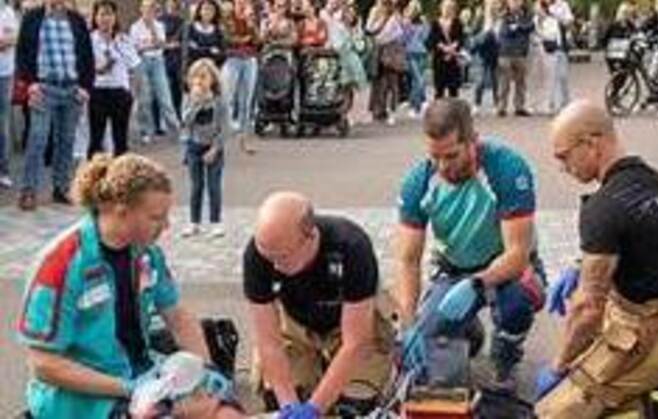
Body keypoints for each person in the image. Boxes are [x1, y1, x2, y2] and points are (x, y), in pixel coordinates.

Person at [16, 153, 246, 419]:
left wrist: (206, 370)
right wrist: (129, 389)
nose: (166, 226)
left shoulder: (147, 254)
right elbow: (43, 363)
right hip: (80, 398)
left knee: (226, 413)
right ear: (122, 211)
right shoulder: (60, 263)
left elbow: (177, 316)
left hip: (143, 374)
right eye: (156, 217)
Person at [535, 100, 658, 418]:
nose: (563, 167)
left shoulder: (604, 207)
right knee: (594, 350)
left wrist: (559, 366)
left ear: (590, 143)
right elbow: (646, 244)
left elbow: (587, 310)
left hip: (656, 336)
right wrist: (581, 267)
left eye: (564, 156)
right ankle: (646, 394)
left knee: (554, 411)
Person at [395, 98, 545, 387]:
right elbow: (408, 259)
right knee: (428, 338)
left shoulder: (507, 168)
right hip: (453, 268)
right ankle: (467, 332)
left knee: (517, 303)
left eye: (452, 156)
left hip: (506, 267)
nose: (443, 166)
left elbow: (517, 254)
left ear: (473, 141)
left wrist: (477, 283)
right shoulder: (419, 181)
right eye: (435, 157)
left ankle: (506, 353)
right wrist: (408, 323)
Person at [244, 191, 394, 418]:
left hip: (348, 323)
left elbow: (356, 342)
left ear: (311, 237)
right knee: (277, 396)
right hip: (295, 324)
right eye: (268, 257)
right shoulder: (258, 254)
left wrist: (316, 407)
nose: (273, 266)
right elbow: (269, 342)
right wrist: (288, 404)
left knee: (355, 406)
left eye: (282, 257)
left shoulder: (351, 246)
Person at [15, 0, 94, 210]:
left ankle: (61, 188)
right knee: (37, 140)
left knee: (66, 142)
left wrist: (85, 87)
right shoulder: (32, 17)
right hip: (43, 88)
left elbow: (87, 54)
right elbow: (22, 52)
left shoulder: (76, 19)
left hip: (72, 89)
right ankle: (28, 190)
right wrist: (30, 84)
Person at [180, 58, 228, 238]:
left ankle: (216, 222)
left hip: (213, 147)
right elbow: (185, 122)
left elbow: (225, 127)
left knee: (214, 186)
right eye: (195, 77)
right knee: (196, 186)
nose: (199, 81)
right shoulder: (188, 99)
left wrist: (215, 149)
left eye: (203, 77)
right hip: (194, 146)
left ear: (212, 79)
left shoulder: (219, 100)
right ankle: (194, 222)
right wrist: (196, 104)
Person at [88, 0, 140, 159]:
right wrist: (101, 68)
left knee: (121, 139)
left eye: (109, 14)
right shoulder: (89, 39)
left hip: (120, 91)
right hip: (98, 91)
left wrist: (132, 93)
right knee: (96, 139)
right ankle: (95, 170)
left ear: (115, 17)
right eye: (102, 14)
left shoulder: (123, 39)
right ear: (95, 17)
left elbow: (134, 65)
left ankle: (120, 171)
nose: (106, 18)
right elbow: (85, 67)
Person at [130, 0, 181, 145]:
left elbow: (160, 44)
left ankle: (175, 130)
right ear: (141, 9)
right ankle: (146, 132)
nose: (149, 11)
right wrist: (152, 46)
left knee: (165, 97)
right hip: (141, 62)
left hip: (158, 61)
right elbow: (135, 49)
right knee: (144, 98)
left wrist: (152, 28)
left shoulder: (159, 25)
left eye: (152, 8)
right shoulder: (135, 27)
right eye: (146, 8)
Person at [221, 0, 261, 139]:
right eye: (240, 2)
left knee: (246, 96)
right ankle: (227, 125)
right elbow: (227, 39)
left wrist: (252, 26)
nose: (243, 4)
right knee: (229, 94)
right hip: (233, 59)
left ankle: (244, 128)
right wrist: (244, 39)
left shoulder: (251, 19)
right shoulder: (227, 18)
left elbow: (258, 41)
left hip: (250, 59)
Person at [534, 0, 573, 115]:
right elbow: (536, 25)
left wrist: (556, 17)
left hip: (560, 46)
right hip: (546, 47)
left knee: (563, 76)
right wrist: (542, 17)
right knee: (549, 77)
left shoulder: (562, 5)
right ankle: (550, 104)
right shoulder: (539, 5)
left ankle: (565, 103)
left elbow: (569, 21)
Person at [427, 0, 465, 99]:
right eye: (445, 7)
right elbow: (432, 39)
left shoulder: (458, 22)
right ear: (441, 8)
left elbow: (461, 38)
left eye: (450, 7)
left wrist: (452, 48)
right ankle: (438, 107)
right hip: (439, 59)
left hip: (453, 59)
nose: (447, 10)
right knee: (439, 88)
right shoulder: (435, 23)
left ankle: (454, 108)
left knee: (453, 89)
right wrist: (444, 48)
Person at [0, 0, 17, 189]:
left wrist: (5, 41)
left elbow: (11, 40)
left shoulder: (7, 12)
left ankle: (3, 171)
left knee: (2, 123)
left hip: (4, 74)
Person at [187, 0, 225, 67]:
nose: (208, 12)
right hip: (192, 64)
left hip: (211, 65)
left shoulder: (218, 31)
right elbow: (189, 48)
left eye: (211, 10)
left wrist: (200, 49)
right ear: (199, 11)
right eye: (205, 9)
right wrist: (209, 50)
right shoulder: (190, 28)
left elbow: (220, 52)